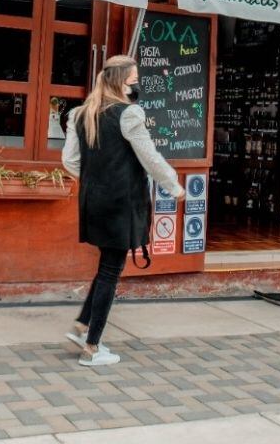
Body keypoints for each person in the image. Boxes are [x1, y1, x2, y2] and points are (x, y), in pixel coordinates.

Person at [62, 54, 185, 367]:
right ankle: (92, 348)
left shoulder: (79, 114)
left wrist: (96, 181)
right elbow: (150, 158)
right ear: (122, 82)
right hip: (121, 203)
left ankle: (82, 326)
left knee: (106, 265)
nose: (137, 85)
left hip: (93, 201)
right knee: (110, 271)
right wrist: (174, 186)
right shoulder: (129, 114)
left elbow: (70, 162)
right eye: (134, 80)